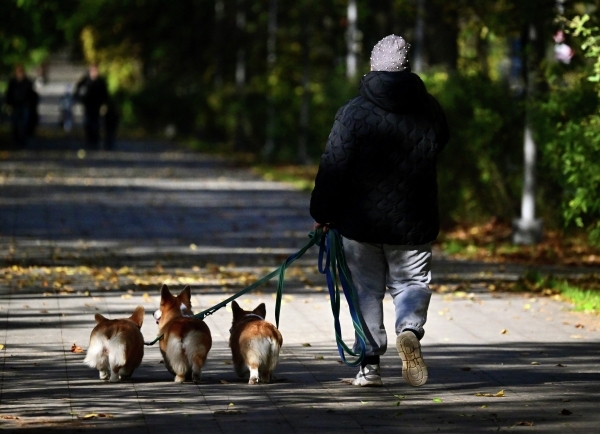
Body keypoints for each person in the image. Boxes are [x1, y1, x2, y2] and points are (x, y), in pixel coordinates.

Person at [310, 35, 449, 387]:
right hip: (414, 221)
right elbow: (440, 144)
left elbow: (333, 166)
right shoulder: (430, 108)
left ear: (373, 66)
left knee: (365, 290)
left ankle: (369, 365)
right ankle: (409, 331)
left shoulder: (353, 112)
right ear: (407, 67)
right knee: (412, 283)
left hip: (360, 223)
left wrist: (322, 212)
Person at [74, 63, 109, 149]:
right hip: (88, 104)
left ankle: (95, 140)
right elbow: (78, 88)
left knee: (96, 123)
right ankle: (89, 139)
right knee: (88, 122)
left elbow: (105, 94)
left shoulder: (100, 81)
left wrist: (105, 103)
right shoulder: (86, 80)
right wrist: (79, 98)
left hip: (97, 105)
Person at [4, 65, 38, 147]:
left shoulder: (27, 82)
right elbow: (8, 94)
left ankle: (24, 139)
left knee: (25, 123)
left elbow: (32, 95)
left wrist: (30, 104)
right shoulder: (12, 82)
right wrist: (8, 103)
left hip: (25, 106)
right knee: (15, 123)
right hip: (15, 106)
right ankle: (16, 139)